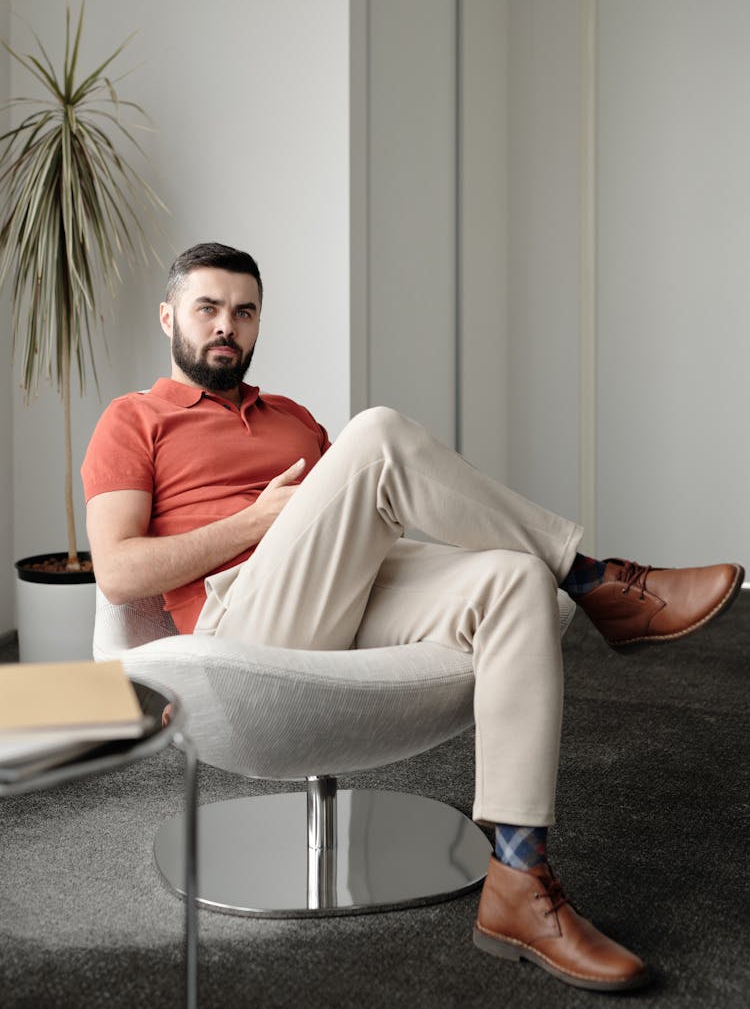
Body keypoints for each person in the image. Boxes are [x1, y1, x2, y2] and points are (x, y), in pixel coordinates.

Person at [81, 242, 744, 993]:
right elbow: (118, 570)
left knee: (514, 580)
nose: (226, 325)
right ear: (169, 315)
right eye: (207, 308)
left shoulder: (293, 419)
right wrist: (255, 522)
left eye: (244, 310)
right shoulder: (133, 419)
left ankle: (519, 882)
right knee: (379, 433)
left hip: (333, 600)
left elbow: (358, 530)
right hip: (237, 622)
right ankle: (599, 580)